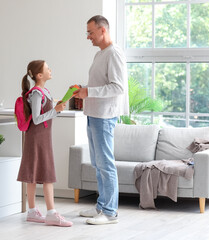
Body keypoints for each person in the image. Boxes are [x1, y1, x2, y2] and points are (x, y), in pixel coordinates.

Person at [74, 15, 129, 225]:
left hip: (105, 116)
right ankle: (101, 206)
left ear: (102, 30)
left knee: (106, 164)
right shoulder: (100, 55)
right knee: (98, 164)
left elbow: (118, 87)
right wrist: (84, 92)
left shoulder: (114, 54)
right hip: (93, 114)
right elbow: (100, 84)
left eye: (91, 32)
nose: (88, 36)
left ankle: (110, 212)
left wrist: (89, 92)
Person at [17, 60, 73, 227]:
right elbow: (36, 119)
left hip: (43, 137)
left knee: (36, 174)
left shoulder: (45, 91)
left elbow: (46, 116)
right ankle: (51, 213)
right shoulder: (37, 94)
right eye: (47, 68)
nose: (50, 70)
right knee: (44, 173)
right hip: (36, 138)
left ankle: (33, 211)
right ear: (39, 75)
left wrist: (56, 110)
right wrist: (55, 111)